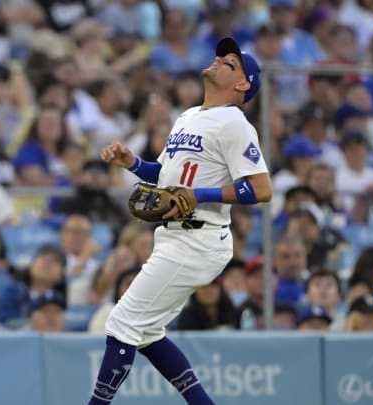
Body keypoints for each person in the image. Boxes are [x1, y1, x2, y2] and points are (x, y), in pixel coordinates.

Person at [88, 37, 272, 405]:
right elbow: (169, 178)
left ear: (243, 85)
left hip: (198, 238)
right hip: (175, 236)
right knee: (147, 331)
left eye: (231, 63)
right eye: (220, 56)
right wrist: (133, 164)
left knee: (122, 323)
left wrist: (201, 195)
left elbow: (261, 188)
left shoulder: (235, 124)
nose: (219, 60)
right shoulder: (188, 115)